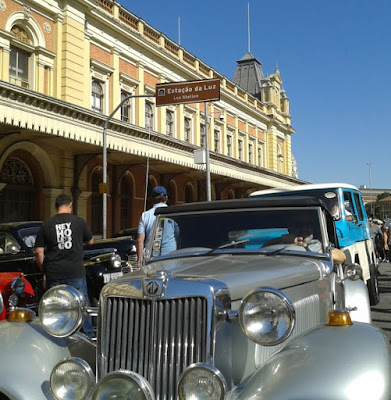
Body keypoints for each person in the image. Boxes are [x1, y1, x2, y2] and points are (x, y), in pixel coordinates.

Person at [34, 194, 94, 338]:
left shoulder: (47, 224)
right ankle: (87, 337)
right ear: (70, 205)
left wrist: (45, 269)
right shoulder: (79, 222)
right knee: (81, 304)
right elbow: (90, 241)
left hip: (54, 273)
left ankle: (60, 336)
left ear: (56, 207)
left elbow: (38, 251)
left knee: (57, 307)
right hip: (75, 272)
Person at [137, 186, 174, 267]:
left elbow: (140, 240)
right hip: (171, 256)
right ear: (166, 198)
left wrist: (139, 260)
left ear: (152, 199)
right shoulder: (173, 213)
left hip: (152, 256)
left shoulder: (145, 215)